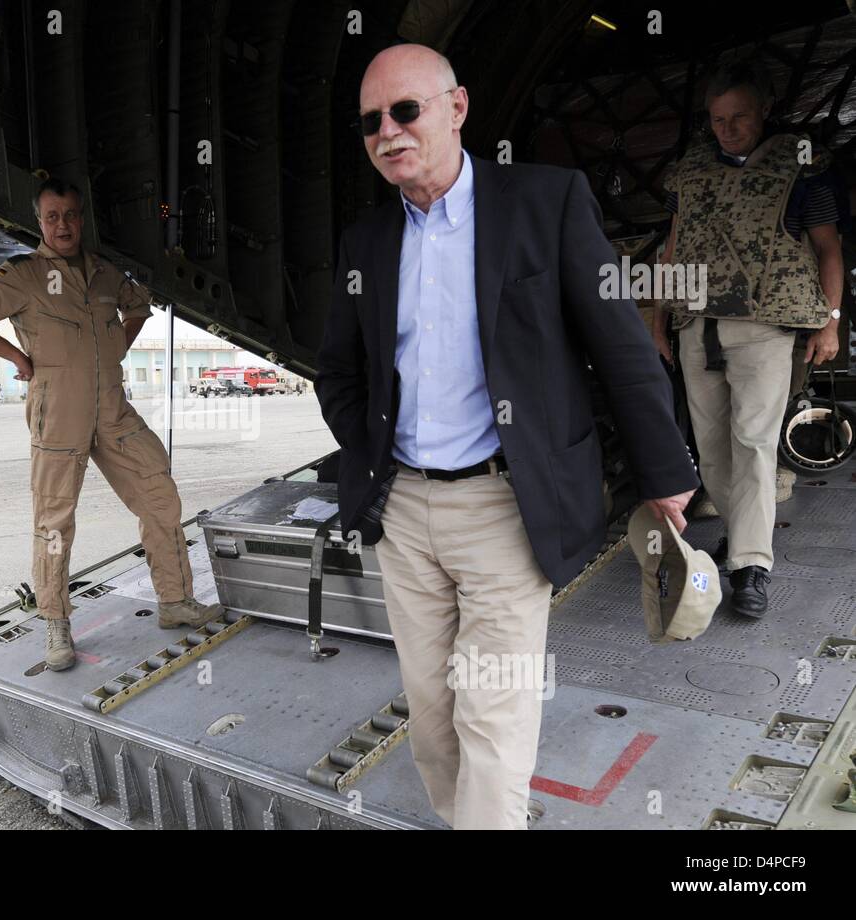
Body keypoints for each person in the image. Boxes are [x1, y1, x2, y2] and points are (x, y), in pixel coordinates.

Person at [315, 44, 699, 829]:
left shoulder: (546, 202)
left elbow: (620, 346)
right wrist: (372, 453)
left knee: (491, 713)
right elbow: (340, 374)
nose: (387, 131)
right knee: (432, 721)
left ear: (456, 109)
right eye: (370, 122)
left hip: (506, 507)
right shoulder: (367, 244)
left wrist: (666, 471)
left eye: (405, 111)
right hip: (404, 514)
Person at [0, 178, 222, 671]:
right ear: (39, 222)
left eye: (70, 215)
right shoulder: (23, 275)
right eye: (52, 217)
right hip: (59, 409)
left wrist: (120, 346)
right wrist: (18, 358)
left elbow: (138, 305)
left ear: (81, 218)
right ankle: (55, 621)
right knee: (55, 521)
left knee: (159, 493)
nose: (62, 225)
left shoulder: (102, 272)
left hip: (112, 406)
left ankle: (175, 601)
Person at [651, 55, 847, 618]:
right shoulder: (689, 174)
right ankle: (741, 540)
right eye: (718, 120)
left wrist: (831, 319)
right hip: (698, 326)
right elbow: (672, 250)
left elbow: (828, 246)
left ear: (764, 110)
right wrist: (660, 318)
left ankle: (752, 564)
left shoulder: (802, 168)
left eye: (739, 116)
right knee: (711, 452)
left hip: (764, 327)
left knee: (755, 444)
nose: (729, 128)